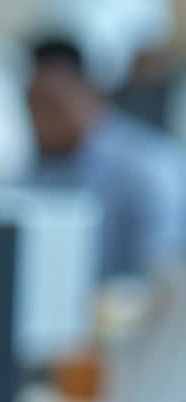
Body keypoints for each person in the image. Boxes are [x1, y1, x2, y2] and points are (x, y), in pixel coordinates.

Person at [28, 38, 186, 280]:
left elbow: (162, 268)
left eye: (51, 105)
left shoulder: (149, 164)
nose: (38, 119)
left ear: (90, 95)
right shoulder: (39, 164)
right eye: (31, 105)